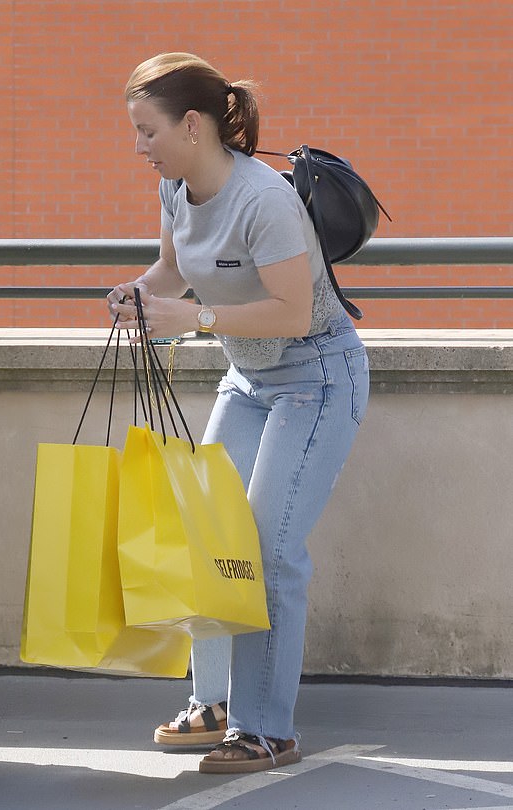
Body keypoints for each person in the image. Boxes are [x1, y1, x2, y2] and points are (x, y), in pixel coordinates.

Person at [108, 52, 369, 775]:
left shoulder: (263, 200)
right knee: (208, 531)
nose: (139, 146)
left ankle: (266, 729)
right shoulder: (175, 188)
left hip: (316, 379)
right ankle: (215, 703)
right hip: (249, 380)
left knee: (268, 549)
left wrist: (191, 319)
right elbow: (172, 270)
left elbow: (291, 313)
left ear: (192, 126)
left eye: (148, 131)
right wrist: (140, 295)